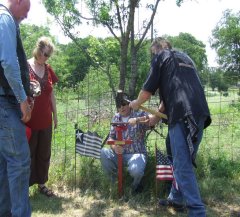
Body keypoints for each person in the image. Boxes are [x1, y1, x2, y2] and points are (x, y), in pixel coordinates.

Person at [130, 37, 211, 216]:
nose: (154, 56)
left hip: (181, 115)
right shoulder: (185, 59)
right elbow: (173, 93)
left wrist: (136, 102)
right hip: (199, 114)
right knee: (180, 159)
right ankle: (176, 197)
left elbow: (147, 91)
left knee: (182, 165)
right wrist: (155, 118)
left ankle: (197, 212)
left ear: (160, 48)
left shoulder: (161, 56)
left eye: (153, 52)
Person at [0, 0, 32, 216]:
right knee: (19, 163)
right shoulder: (5, 19)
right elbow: (9, 63)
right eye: (27, 10)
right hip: (5, 103)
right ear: (19, 0)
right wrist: (22, 99)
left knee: (5, 163)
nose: (27, 16)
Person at [100, 92, 155, 194]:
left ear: (129, 104)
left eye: (124, 104)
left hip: (136, 154)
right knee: (103, 152)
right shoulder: (116, 117)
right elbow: (111, 137)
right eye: (119, 106)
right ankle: (114, 184)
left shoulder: (138, 114)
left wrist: (137, 120)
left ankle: (134, 187)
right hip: (119, 154)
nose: (121, 108)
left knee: (136, 171)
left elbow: (153, 118)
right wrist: (114, 147)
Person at [26, 36, 58, 197]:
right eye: (44, 54)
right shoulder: (25, 66)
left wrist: (56, 116)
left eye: (48, 56)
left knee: (44, 153)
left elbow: (51, 94)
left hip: (46, 119)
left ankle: (42, 184)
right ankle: (24, 186)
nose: (45, 58)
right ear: (37, 50)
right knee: (28, 153)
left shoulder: (48, 68)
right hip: (29, 120)